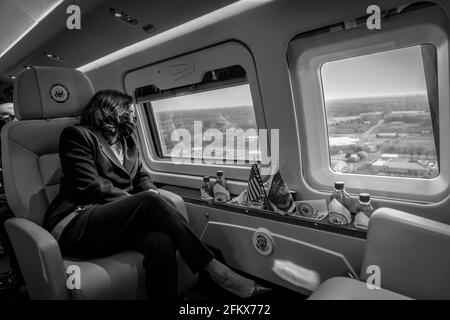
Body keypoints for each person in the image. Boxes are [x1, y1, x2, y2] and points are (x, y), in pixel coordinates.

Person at [44, 90, 268, 303]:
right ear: (111, 109)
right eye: (129, 111)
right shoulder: (78, 135)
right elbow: (92, 186)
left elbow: (141, 176)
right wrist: (140, 203)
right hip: (78, 220)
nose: (134, 117)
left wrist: (150, 190)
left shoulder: (127, 142)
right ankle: (218, 271)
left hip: (116, 223)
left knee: (161, 243)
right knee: (149, 202)